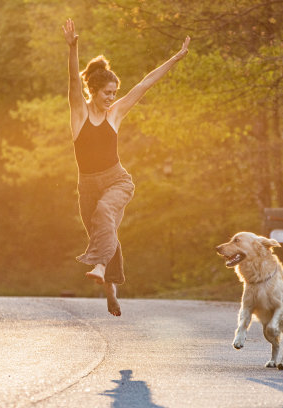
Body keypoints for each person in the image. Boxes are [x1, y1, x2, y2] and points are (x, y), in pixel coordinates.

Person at [62, 18, 190, 316]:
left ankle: (99, 266)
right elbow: (71, 81)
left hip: (117, 181)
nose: (112, 98)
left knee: (106, 214)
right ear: (93, 90)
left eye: (114, 93)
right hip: (87, 187)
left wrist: (175, 58)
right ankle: (110, 291)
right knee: (105, 233)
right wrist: (73, 47)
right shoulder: (79, 114)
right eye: (107, 93)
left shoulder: (115, 114)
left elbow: (146, 83)